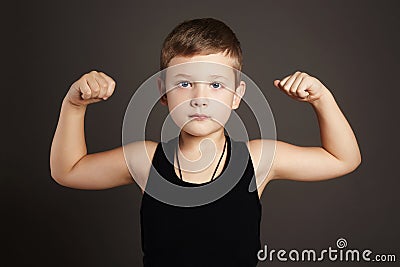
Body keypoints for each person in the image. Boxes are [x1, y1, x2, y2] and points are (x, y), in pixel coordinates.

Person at [50, 18, 361, 266]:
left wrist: (322, 99)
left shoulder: (258, 158)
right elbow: (68, 170)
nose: (200, 99)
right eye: (184, 84)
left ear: (237, 95)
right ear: (163, 92)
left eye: (215, 84)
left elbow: (343, 158)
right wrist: (74, 106)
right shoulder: (146, 160)